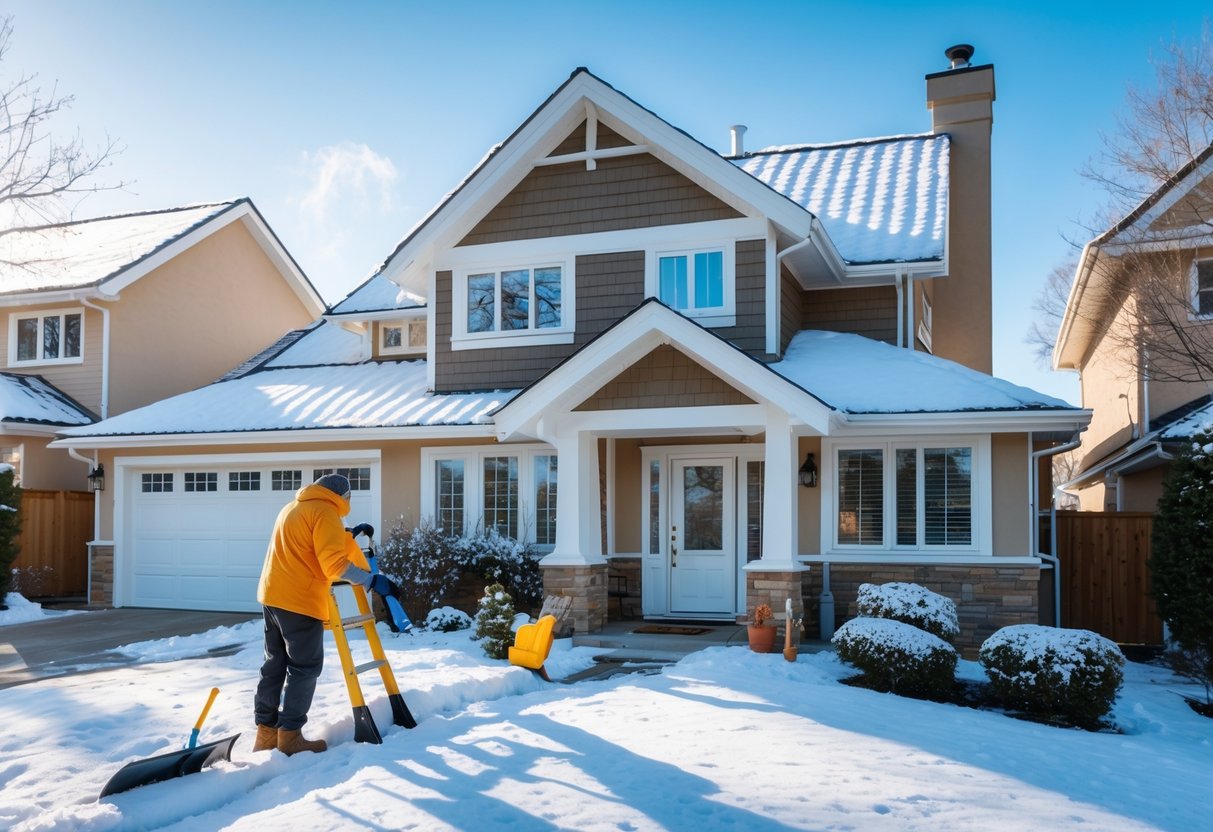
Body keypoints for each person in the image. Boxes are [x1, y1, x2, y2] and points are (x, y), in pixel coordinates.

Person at [252, 473, 400, 755]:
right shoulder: (326, 511)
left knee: (274, 664)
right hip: (299, 600)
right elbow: (334, 566)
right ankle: (291, 737)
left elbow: (310, 543)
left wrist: (346, 535)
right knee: (304, 667)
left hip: (272, 595)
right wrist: (371, 581)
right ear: (343, 496)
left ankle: (266, 734)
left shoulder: (294, 506)